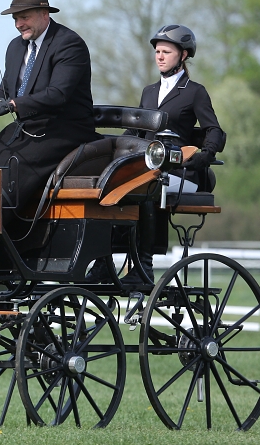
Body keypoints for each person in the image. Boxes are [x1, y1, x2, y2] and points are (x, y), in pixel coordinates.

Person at [87, 24, 225, 285]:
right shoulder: (149, 92)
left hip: (182, 172)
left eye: (166, 51)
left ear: (183, 55)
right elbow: (137, 131)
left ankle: (143, 267)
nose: (159, 56)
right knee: (107, 186)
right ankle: (104, 263)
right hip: (148, 169)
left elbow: (214, 130)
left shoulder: (195, 92)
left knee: (147, 187)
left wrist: (205, 155)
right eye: (157, 51)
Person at [0, 0, 98, 234]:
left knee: (10, 173)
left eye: (24, 17)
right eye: (15, 19)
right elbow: (8, 89)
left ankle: (0, 239)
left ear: (44, 13)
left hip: (64, 132)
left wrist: (11, 105)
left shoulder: (69, 44)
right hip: (28, 129)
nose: (18, 24)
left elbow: (58, 94)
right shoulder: (16, 47)